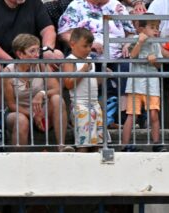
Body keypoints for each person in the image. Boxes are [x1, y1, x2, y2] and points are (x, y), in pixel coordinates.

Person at [58, 0, 136, 128]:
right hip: (88, 54)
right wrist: (89, 45)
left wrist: (127, 44)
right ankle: (96, 117)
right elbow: (64, 33)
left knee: (127, 66)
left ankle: (118, 117)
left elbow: (131, 32)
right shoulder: (77, 5)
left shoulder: (117, 6)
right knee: (93, 68)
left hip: (117, 55)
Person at [0, 0, 62, 112]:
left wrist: (47, 49)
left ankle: (51, 105)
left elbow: (48, 29)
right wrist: (11, 61)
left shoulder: (34, 3)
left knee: (57, 55)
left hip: (30, 53)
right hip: (0, 56)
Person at [3, 34, 70, 151]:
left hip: (42, 111)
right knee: (21, 120)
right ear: (20, 54)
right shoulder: (8, 71)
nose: (37, 55)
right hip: (19, 112)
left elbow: (57, 89)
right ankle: (20, 160)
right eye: (32, 51)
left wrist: (41, 94)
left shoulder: (41, 65)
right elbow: (11, 105)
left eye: (37, 50)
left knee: (57, 99)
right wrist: (33, 115)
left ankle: (61, 146)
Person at [122, 17, 164, 151]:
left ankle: (156, 143)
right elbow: (132, 56)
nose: (156, 30)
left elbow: (159, 64)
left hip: (152, 84)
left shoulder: (156, 44)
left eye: (157, 28)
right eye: (152, 27)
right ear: (142, 29)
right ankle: (124, 145)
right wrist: (140, 42)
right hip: (135, 84)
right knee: (132, 115)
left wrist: (154, 61)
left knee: (154, 114)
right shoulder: (136, 39)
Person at [62, 27, 106, 151]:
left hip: (95, 105)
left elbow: (93, 83)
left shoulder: (89, 60)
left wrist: (102, 76)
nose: (88, 50)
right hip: (80, 106)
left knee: (97, 144)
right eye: (85, 46)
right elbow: (68, 84)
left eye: (90, 46)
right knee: (84, 144)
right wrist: (83, 70)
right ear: (72, 44)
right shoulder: (69, 61)